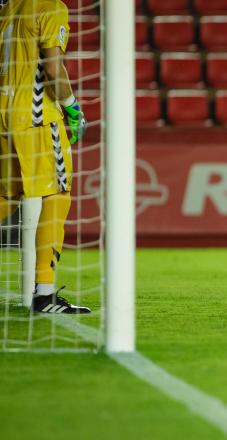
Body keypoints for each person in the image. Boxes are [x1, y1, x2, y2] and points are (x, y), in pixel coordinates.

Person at [0, 0, 89, 313]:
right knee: (58, 194)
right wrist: (72, 107)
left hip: (3, 112)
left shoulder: (9, 8)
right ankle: (45, 293)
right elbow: (53, 68)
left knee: (7, 197)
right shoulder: (51, 6)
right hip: (35, 117)